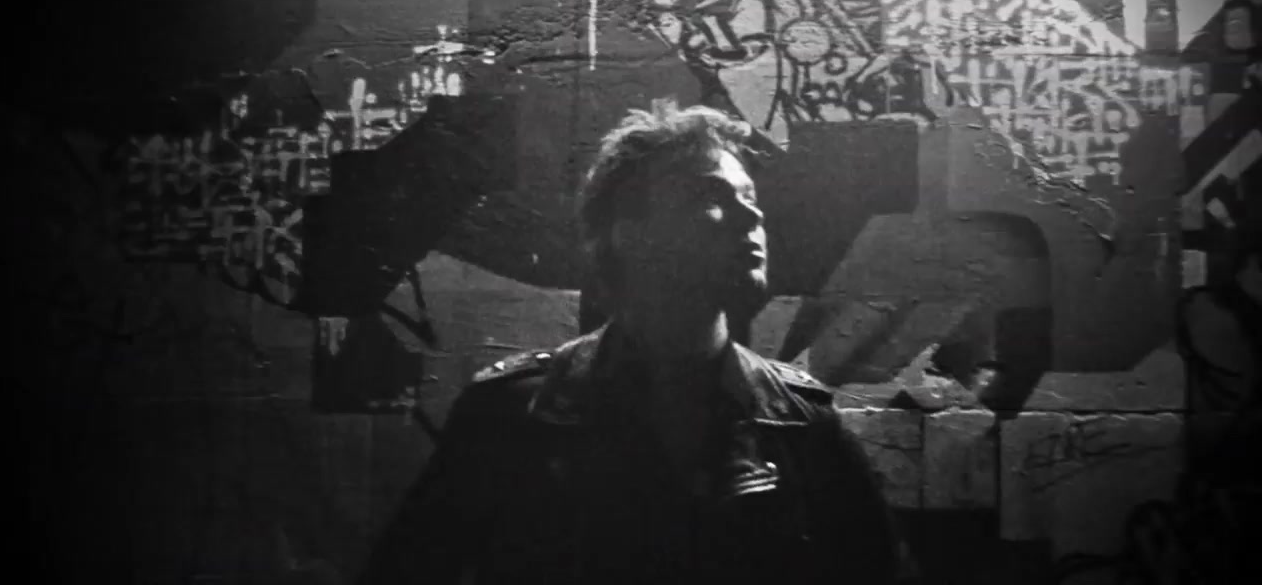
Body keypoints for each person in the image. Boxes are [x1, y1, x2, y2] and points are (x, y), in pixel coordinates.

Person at [357, 106, 912, 585]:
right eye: (710, 194)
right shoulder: (512, 415)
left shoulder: (804, 425)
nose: (752, 214)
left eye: (749, 196)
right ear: (629, 232)